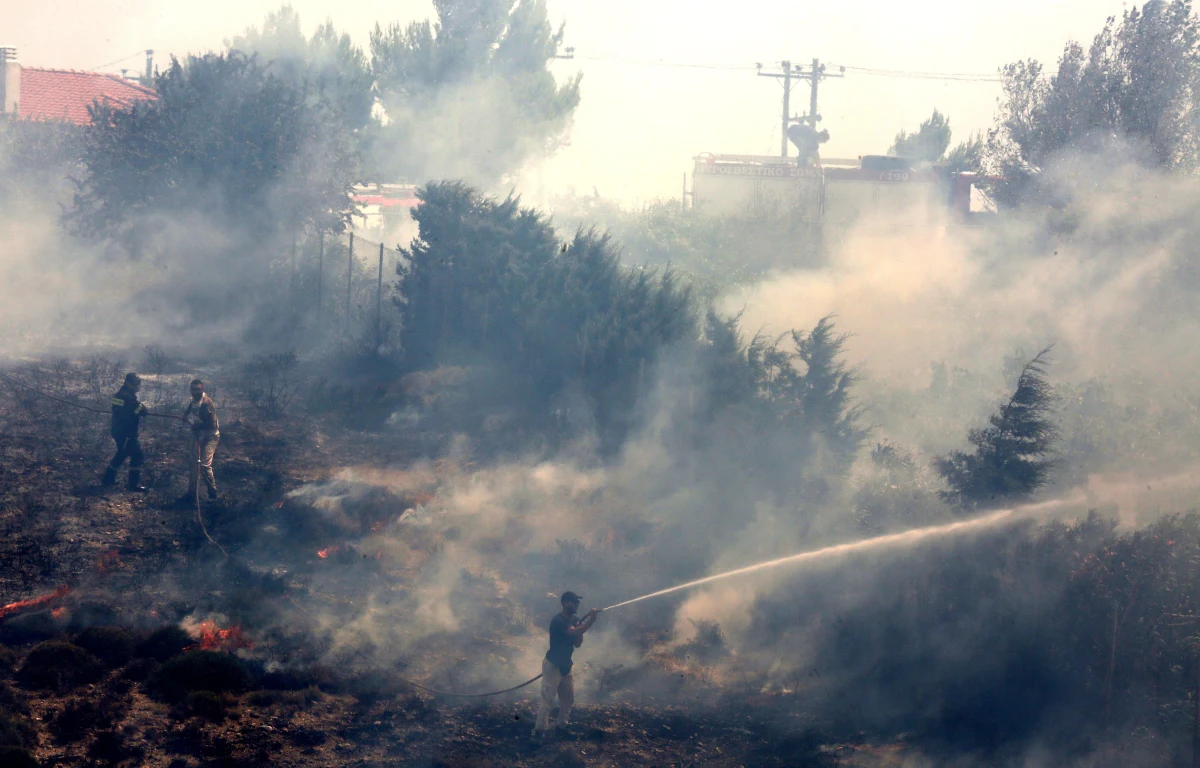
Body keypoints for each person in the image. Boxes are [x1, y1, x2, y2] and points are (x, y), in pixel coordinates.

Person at [534, 591, 600, 741]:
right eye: (574, 602)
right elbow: (573, 632)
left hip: (566, 666)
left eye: (578, 602)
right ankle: (538, 733)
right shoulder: (558, 620)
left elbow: (577, 644)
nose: (577, 604)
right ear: (565, 603)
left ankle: (561, 727)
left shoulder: (575, 619)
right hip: (553, 666)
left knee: (568, 699)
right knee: (547, 700)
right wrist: (591, 621)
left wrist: (581, 629)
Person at [103, 373, 147, 492]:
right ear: (128, 383)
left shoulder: (120, 394)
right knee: (137, 456)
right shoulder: (128, 397)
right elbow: (142, 411)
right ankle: (133, 485)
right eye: (135, 384)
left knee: (122, 454)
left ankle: (108, 478)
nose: (137, 386)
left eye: (138, 383)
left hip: (118, 431)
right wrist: (141, 408)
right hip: (127, 433)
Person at [181, 379, 220, 501]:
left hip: (210, 436)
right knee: (193, 464)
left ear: (202, 390)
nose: (195, 392)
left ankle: (213, 494)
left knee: (203, 464)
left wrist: (197, 426)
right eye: (193, 389)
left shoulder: (206, 403)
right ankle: (191, 494)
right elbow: (190, 407)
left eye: (198, 389)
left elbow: (212, 425)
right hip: (199, 435)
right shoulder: (194, 400)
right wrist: (185, 415)